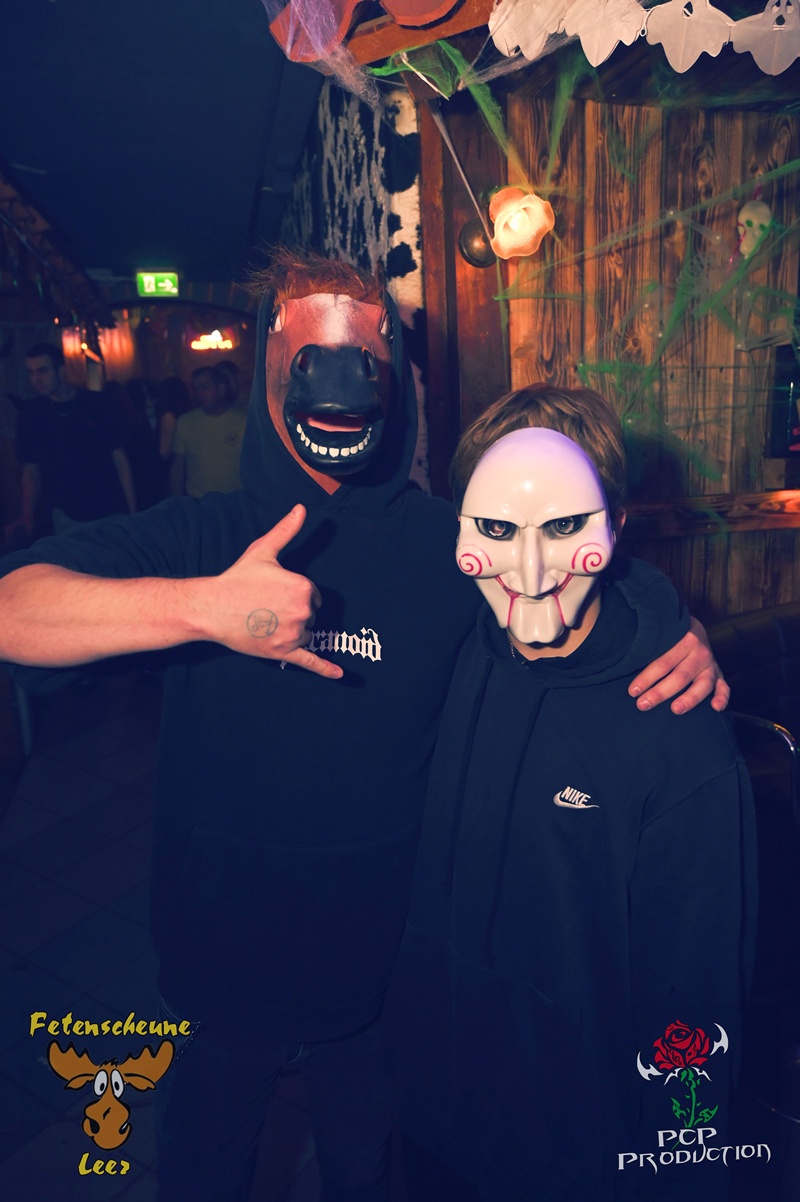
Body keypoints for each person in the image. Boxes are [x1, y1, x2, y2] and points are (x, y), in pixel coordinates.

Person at [0, 253, 726, 1202]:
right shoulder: (205, 534)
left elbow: (566, 573)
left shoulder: (444, 543)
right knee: (203, 1170)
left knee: (366, 1172)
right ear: (272, 369)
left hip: (382, 970)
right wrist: (201, 608)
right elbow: (15, 610)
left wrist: (673, 620)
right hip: (221, 961)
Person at [384, 385, 756, 1202]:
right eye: (497, 529)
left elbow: (696, 1003)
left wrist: (681, 1166)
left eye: (562, 527)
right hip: (435, 1114)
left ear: (615, 525)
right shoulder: (452, 644)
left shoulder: (677, 735)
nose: (528, 570)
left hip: (578, 1153)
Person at [8, 342, 136, 538]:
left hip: (110, 507)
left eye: (42, 371)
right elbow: (31, 470)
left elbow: (121, 460)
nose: (36, 379)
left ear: (60, 370)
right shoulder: (32, 414)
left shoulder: (98, 404)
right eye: (31, 372)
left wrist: (134, 513)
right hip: (66, 514)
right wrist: (27, 514)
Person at [169, 363, 247, 496]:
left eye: (205, 387)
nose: (199, 394)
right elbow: (178, 468)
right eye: (196, 388)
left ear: (221, 389)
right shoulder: (186, 422)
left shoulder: (243, 422)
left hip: (234, 502)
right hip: (199, 501)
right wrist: (176, 500)